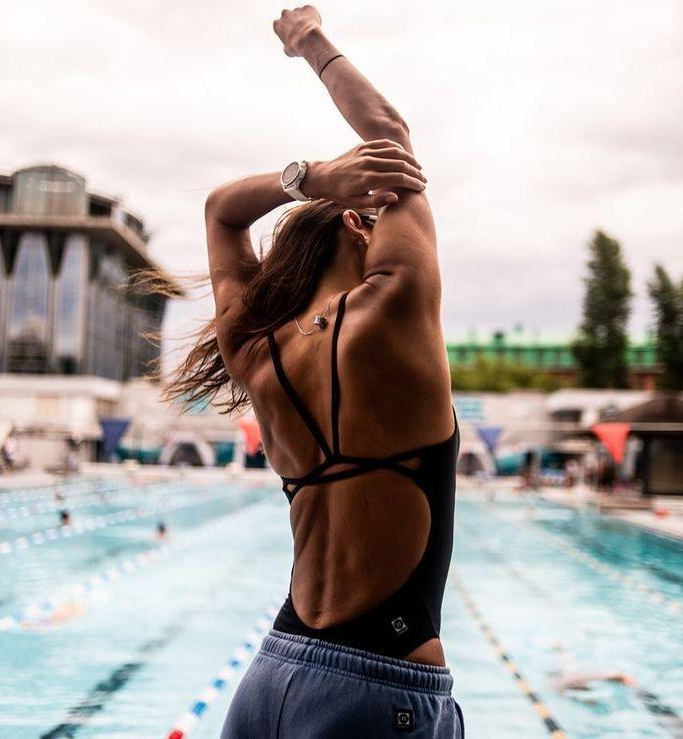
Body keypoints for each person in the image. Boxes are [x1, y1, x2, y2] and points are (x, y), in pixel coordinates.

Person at [162, 7, 461, 737]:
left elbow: (220, 213)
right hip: (377, 688)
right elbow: (390, 138)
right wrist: (309, 41)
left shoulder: (255, 348)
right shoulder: (393, 305)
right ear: (359, 224)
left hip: (270, 674)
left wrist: (312, 177)